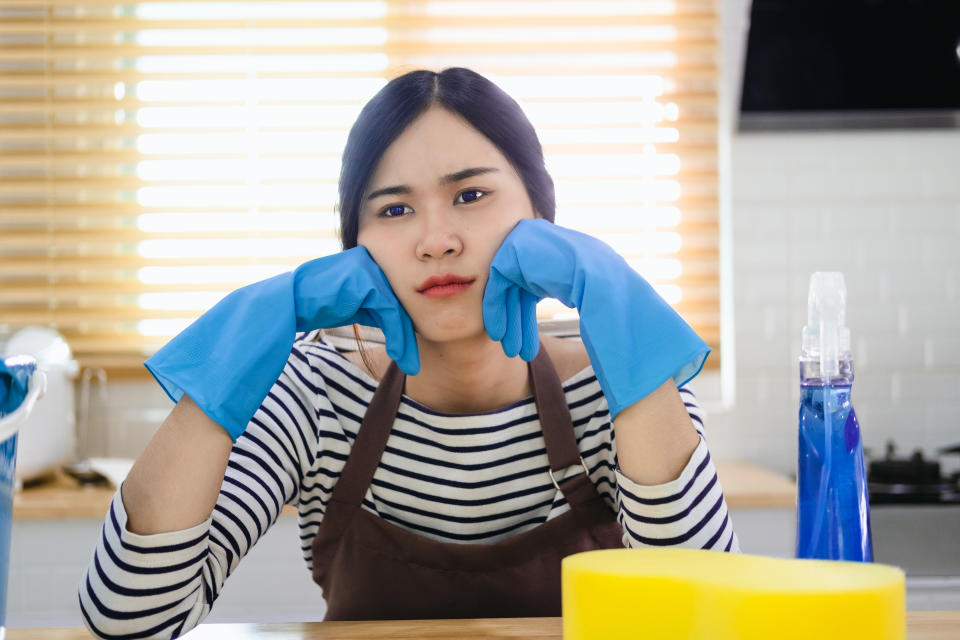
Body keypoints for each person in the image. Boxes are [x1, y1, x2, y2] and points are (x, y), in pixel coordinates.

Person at [78, 67, 740, 638]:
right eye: (394, 210)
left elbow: (702, 611)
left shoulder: (617, 390)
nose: (437, 239)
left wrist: (618, 301)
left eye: (471, 195)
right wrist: (235, 352)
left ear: (541, 215)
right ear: (354, 244)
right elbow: (129, 620)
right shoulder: (314, 394)